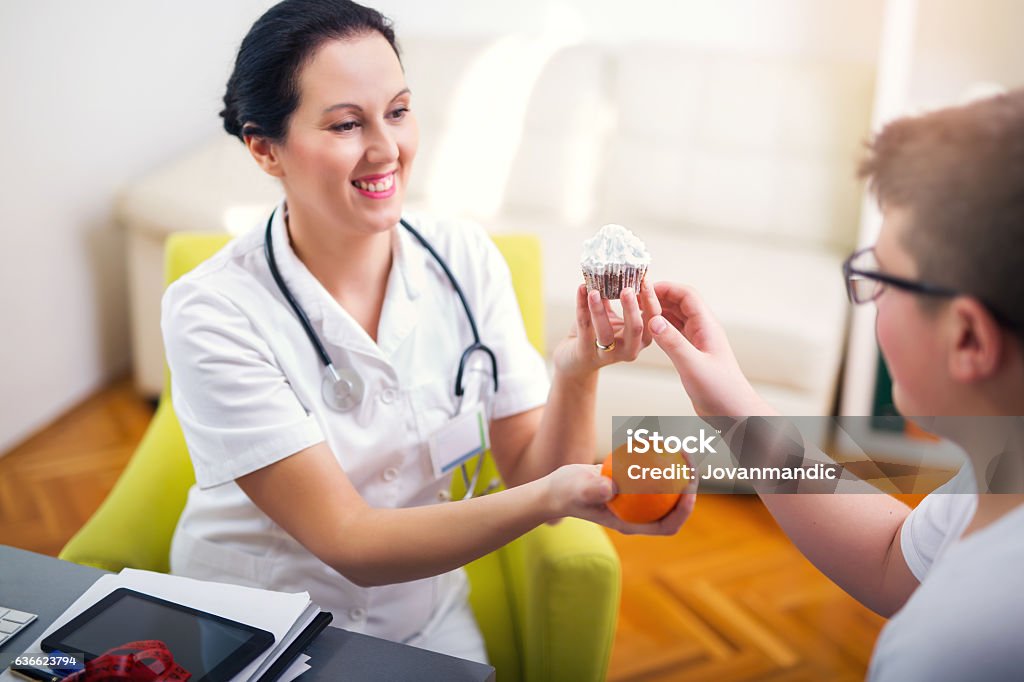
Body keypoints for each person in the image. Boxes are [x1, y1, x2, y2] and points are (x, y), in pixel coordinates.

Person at [161, 0, 692, 664]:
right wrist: (551, 497)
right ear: (266, 149)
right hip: (262, 622)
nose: (387, 149)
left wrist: (577, 372)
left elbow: (533, 467)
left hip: (422, 618)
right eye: (348, 124)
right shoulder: (213, 309)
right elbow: (349, 540)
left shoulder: (464, 258)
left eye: (399, 111)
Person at [647, 89, 1024, 680]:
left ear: (969, 338)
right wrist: (732, 408)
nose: (872, 302)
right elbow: (896, 560)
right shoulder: (1003, 467)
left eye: (881, 278)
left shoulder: (951, 647)